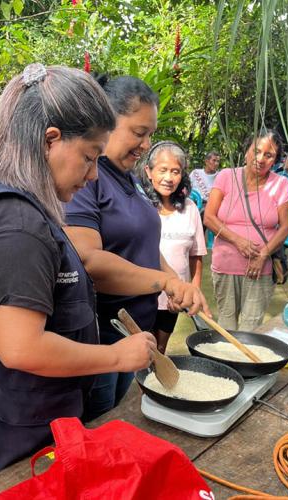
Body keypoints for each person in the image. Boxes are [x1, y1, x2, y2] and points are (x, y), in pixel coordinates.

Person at [0, 65, 159, 488]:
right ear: (50, 139)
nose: (93, 174)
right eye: (90, 157)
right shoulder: (15, 223)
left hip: (11, 420)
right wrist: (117, 356)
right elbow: (21, 347)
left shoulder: (4, 198)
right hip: (6, 439)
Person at [64, 75, 209, 421]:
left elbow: (145, 244)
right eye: (139, 132)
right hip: (101, 335)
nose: (146, 145)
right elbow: (88, 262)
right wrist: (163, 282)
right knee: (97, 424)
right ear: (107, 122)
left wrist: (177, 283)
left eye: (150, 135)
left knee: (118, 415)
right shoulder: (87, 178)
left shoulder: (128, 178)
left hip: (135, 331)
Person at [203, 129, 288, 330]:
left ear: (275, 160)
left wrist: (263, 255)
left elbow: (286, 227)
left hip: (260, 269)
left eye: (268, 155)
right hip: (225, 264)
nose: (260, 159)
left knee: (251, 330)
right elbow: (209, 217)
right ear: (246, 151)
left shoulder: (281, 184)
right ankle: (225, 363)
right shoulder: (226, 176)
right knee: (226, 328)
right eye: (256, 151)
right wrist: (238, 240)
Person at [140, 141, 207, 353]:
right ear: (148, 172)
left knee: (160, 349)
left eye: (175, 171)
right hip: (142, 295)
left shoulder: (190, 209)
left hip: (174, 300)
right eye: (163, 170)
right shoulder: (139, 207)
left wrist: (192, 291)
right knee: (142, 349)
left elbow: (196, 257)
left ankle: (151, 387)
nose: (169, 178)